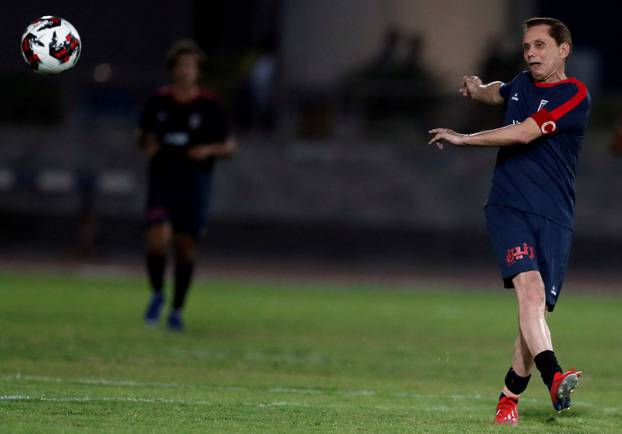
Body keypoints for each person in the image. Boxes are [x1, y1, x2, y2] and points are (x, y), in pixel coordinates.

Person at [428, 17, 590, 425]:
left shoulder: (574, 95)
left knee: (533, 313)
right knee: (529, 293)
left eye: (540, 46)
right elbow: (495, 92)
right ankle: (555, 376)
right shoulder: (520, 84)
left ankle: (508, 399)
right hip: (508, 206)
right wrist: (475, 87)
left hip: (555, 215)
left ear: (563, 50)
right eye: (527, 48)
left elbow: (522, 134)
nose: (532, 54)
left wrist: (465, 138)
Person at [138, 39, 237, 331]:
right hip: (162, 180)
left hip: (194, 184)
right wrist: (146, 143)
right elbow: (141, 134)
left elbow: (230, 145)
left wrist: (208, 151)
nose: (185, 71)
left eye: (190, 66)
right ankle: (157, 293)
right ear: (172, 70)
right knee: (158, 238)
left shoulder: (209, 105)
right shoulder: (159, 101)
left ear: (198, 71)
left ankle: (177, 309)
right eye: (180, 66)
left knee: (185, 246)